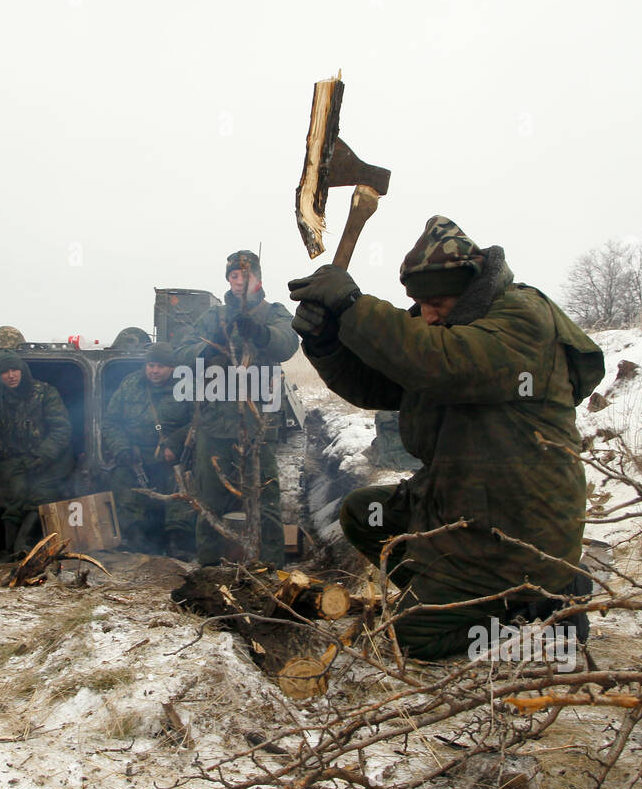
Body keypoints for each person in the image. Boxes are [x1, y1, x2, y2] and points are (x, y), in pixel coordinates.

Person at [289, 216, 605, 660]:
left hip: (518, 525)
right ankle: (453, 593)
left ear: (472, 290)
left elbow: (442, 363)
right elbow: (378, 382)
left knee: (406, 639)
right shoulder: (440, 325)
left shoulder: (522, 318)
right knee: (365, 514)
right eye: (419, 303)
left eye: (436, 301)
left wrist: (352, 306)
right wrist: (326, 343)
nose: (427, 313)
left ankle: (528, 606)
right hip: (460, 504)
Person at [176, 249, 298, 567]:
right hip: (214, 425)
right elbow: (182, 352)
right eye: (234, 276)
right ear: (228, 280)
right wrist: (207, 346)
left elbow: (287, 343)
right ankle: (209, 566)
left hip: (259, 426)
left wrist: (261, 334)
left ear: (257, 278)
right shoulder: (212, 317)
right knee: (209, 501)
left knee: (265, 499)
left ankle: (270, 566)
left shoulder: (273, 312)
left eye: (246, 275)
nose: (240, 281)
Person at [102, 342, 195, 556]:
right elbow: (110, 422)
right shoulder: (130, 384)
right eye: (150, 365)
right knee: (121, 479)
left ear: (171, 367)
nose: (154, 371)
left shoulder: (186, 385)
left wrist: (175, 444)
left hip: (174, 457)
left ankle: (177, 542)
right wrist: (122, 448)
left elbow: (199, 420)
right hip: (136, 456)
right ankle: (134, 539)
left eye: (160, 366)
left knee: (183, 483)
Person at [0, 348, 74, 555]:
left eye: (15, 370)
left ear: (22, 371)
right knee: (16, 495)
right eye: (5, 372)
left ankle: (24, 547)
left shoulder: (44, 393)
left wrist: (43, 454)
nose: (11, 375)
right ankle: (11, 551)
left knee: (41, 496)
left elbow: (62, 428)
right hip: (11, 461)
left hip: (46, 459)